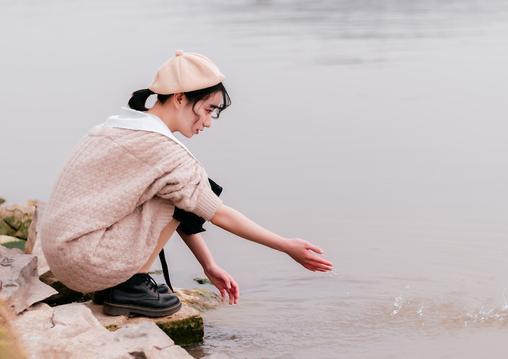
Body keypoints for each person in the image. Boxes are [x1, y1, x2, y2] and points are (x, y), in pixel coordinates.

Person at [39, 50, 333, 318]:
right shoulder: (163, 150)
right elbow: (215, 212)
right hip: (88, 261)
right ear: (180, 98)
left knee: (190, 187)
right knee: (198, 185)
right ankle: (132, 286)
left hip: (66, 256)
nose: (209, 122)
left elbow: (189, 202)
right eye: (208, 109)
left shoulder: (118, 125)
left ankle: (122, 284)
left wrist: (208, 265)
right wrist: (285, 246)